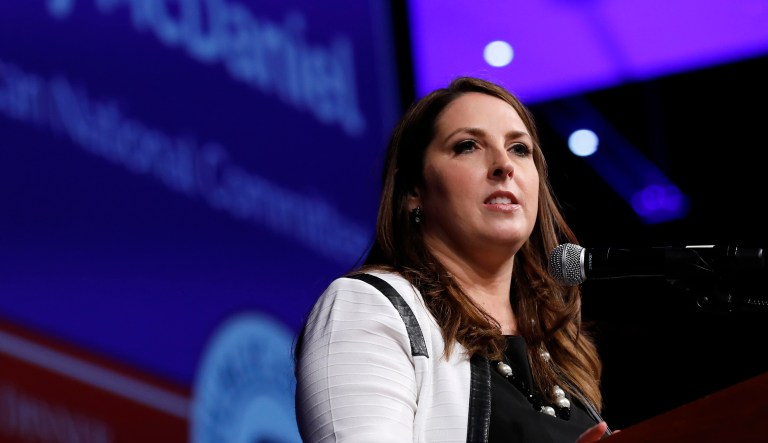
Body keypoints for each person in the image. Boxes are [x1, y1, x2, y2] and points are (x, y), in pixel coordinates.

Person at [293, 76, 612, 442]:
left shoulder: (559, 352)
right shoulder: (369, 307)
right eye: (468, 146)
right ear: (414, 190)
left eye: (520, 149)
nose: (503, 165)